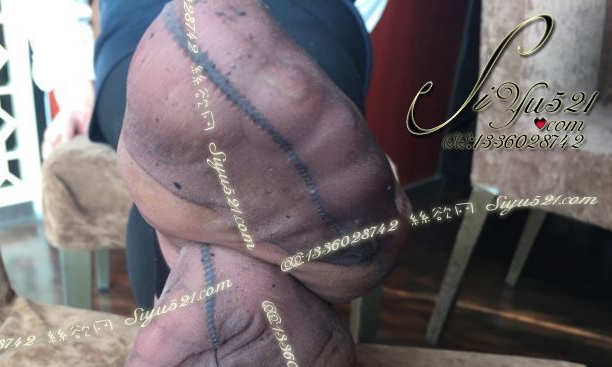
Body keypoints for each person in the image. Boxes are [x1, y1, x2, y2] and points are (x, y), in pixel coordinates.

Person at [26, 0, 375, 311]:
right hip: (152, 23)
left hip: (156, 28)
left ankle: (189, 333)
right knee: (183, 141)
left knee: (175, 169)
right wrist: (74, 88)